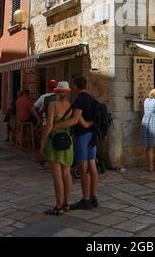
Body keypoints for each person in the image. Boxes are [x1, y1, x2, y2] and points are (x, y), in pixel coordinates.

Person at [52, 76, 98, 210]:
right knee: (92, 165)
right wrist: (88, 124)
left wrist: (57, 125)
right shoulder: (91, 98)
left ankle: (85, 199)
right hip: (92, 135)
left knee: (83, 169)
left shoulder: (79, 100)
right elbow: (88, 118)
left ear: (76, 86)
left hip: (82, 136)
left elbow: (75, 120)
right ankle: (93, 196)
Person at [40, 81, 74, 216]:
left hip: (55, 141)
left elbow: (49, 125)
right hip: (67, 142)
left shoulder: (53, 105)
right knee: (67, 173)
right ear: (67, 92)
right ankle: (66, 203)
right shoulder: (71, 106)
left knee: (57, 175)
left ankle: (58, 205)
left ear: (57, 92)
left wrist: (42, 142)